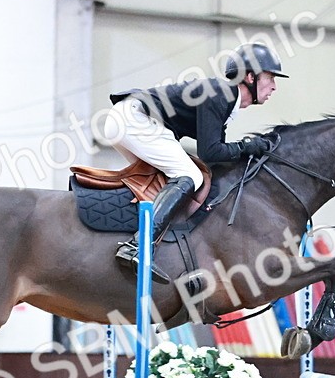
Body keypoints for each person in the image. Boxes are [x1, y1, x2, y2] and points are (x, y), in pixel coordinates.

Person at [107, 42, 287, 282]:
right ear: (251, 76)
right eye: (271, 77)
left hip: (128, 120)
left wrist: (247, 153)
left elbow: (217, 158)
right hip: (135, 120)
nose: (274, 86)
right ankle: (137, 247)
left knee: (166, 183)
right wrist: (248, 146)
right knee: (190, 176)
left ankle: (155, 247)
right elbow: (211, 153)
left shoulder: (224, 98)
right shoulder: (219, 93)